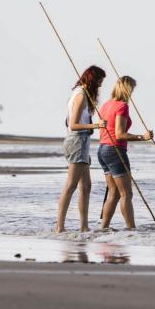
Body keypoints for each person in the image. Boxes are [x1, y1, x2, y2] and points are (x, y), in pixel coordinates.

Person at [56, 65, 107, 232]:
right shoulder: (80, 95)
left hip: (82, 140)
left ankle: (84, 226)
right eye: (99, 81)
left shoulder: (81, 94)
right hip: (76, 141)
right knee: (71, 184)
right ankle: (59, 227)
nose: (100, 86)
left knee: (86, 185)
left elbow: (69, 121)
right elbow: (72, 125)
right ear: (92, 80)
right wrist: (96, 125)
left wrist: (89, 127)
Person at [97, 76, 152, 230]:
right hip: (115, 150)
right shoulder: (122, 106)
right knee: (126, 194)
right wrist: (143, 137)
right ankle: (131, 229)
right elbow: (120, 134)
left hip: (102, 150)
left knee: (113, 193)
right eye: (132, 89)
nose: (132, 93)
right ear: (127, 89)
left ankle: (104, 228)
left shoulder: (106, 105)